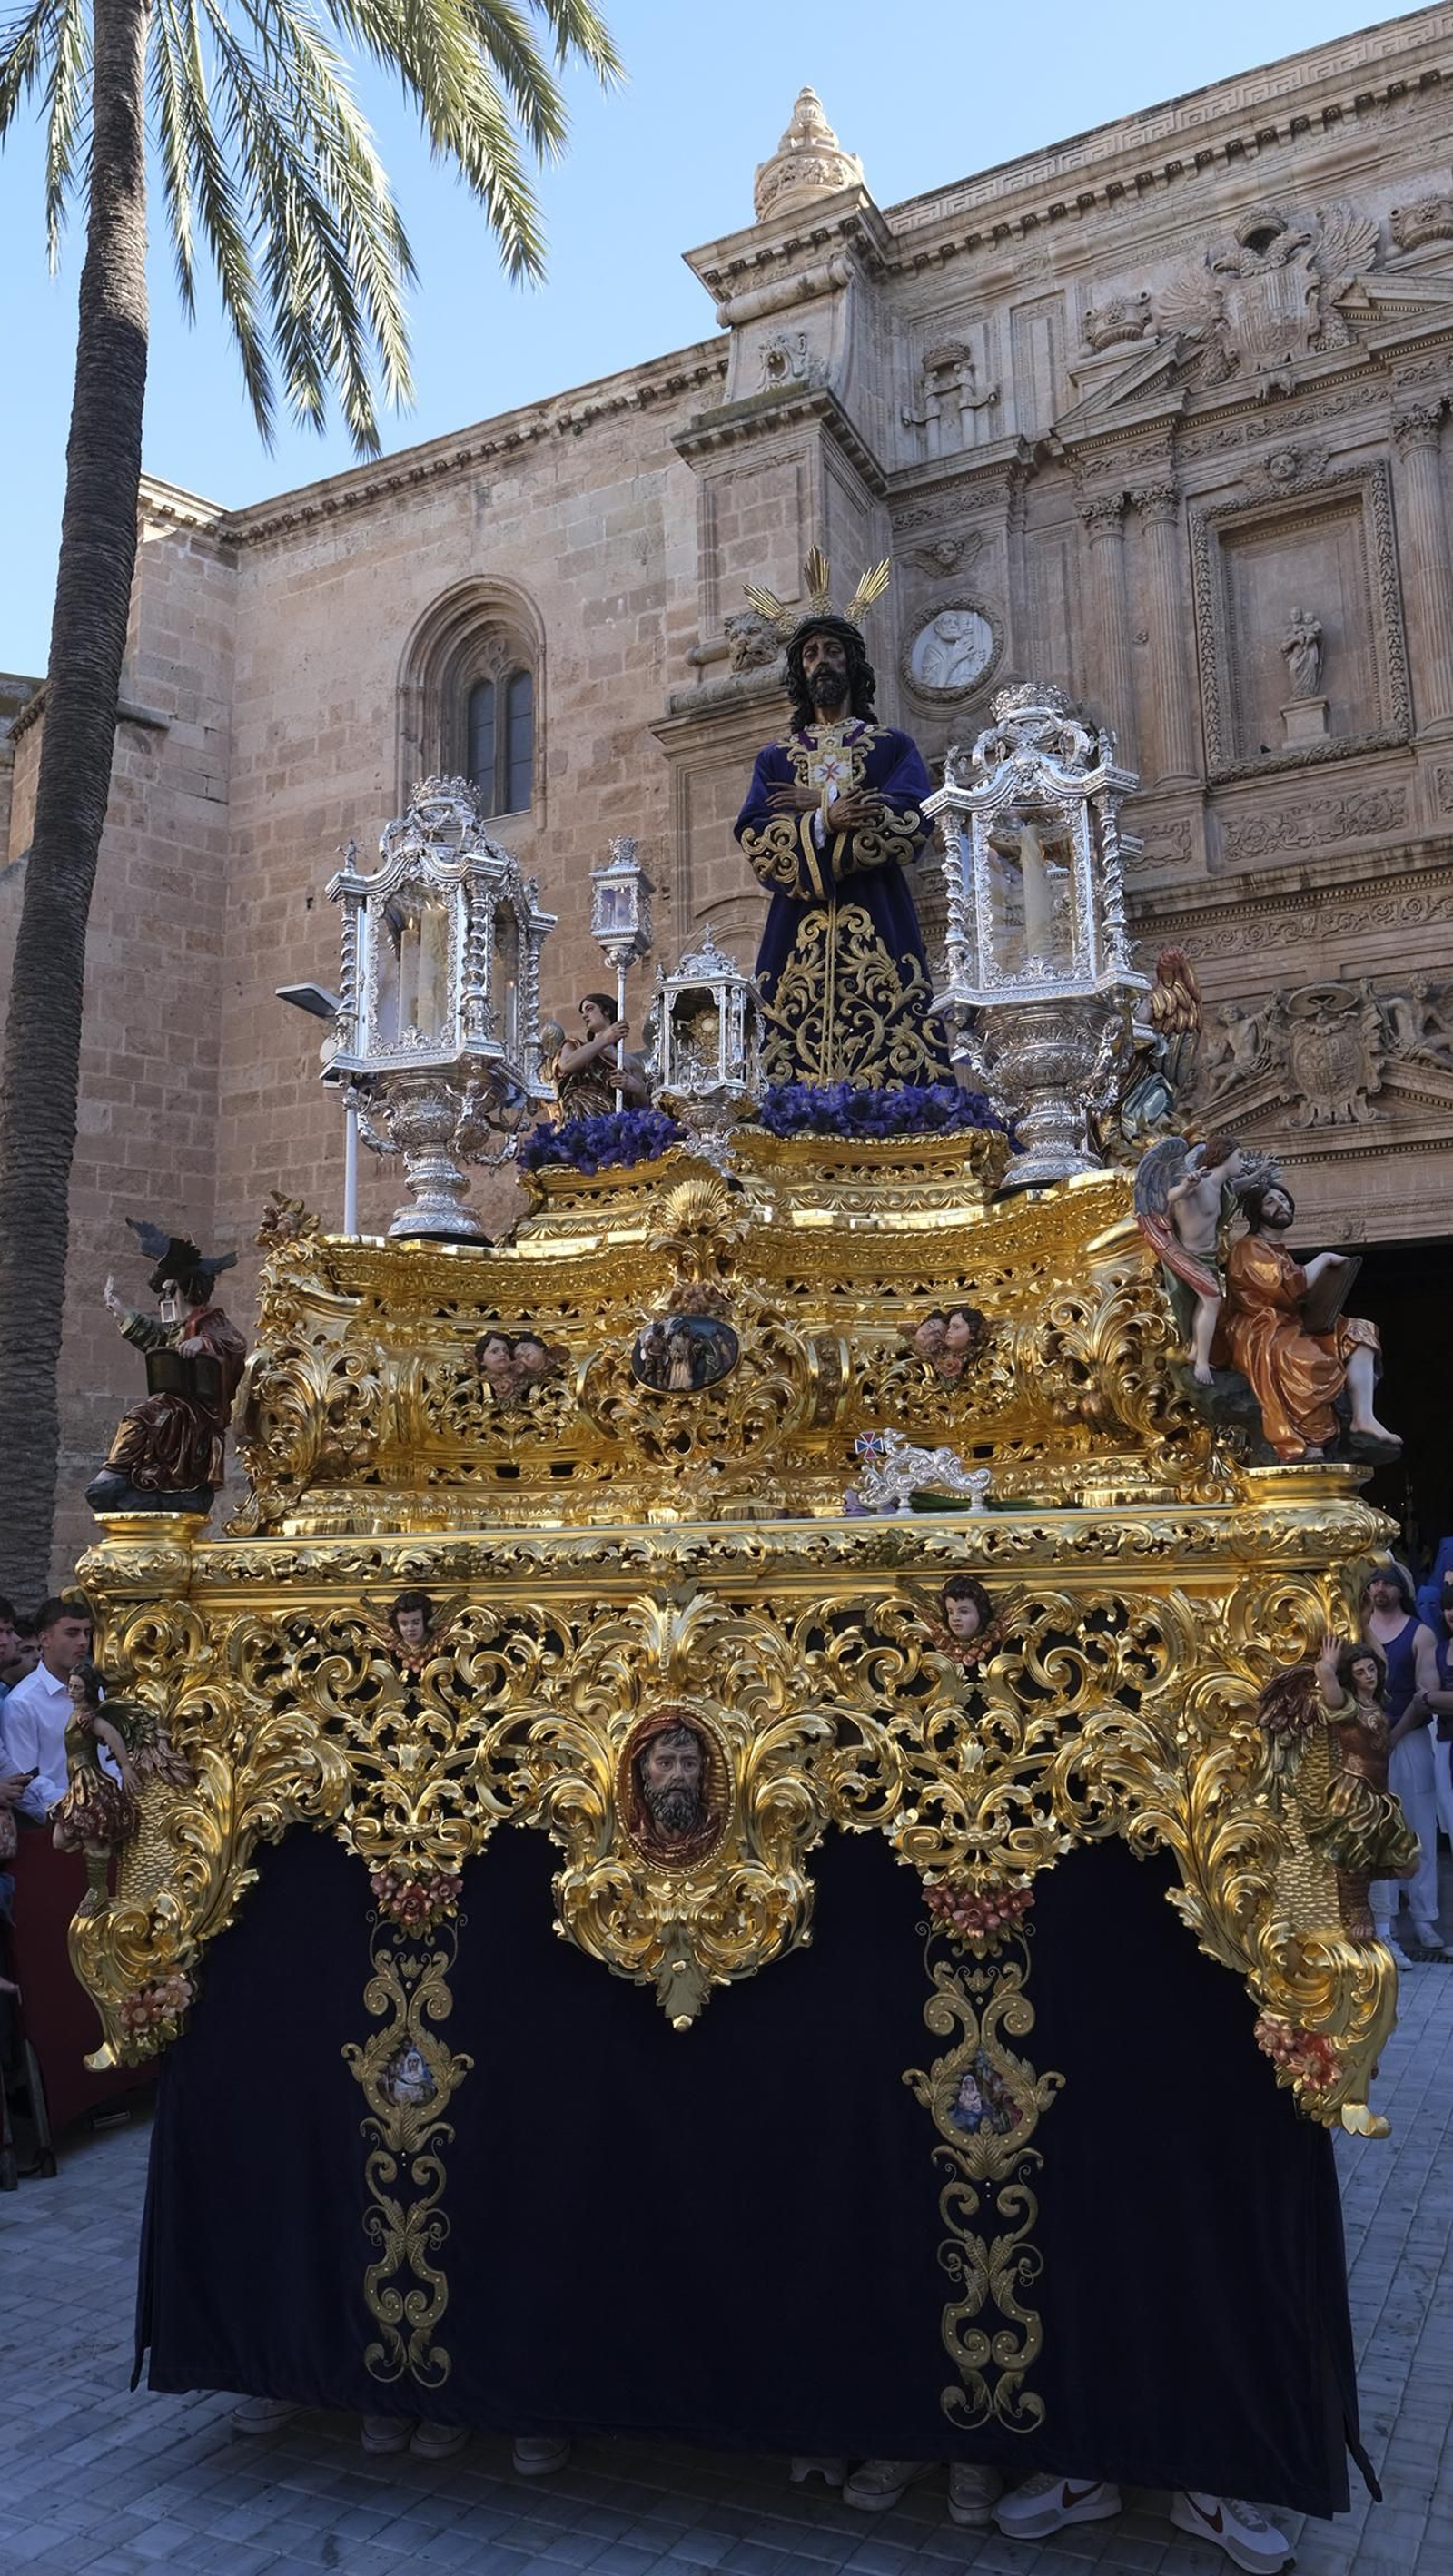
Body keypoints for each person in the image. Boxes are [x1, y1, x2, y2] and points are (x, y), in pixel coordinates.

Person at [734, 560, 944, 1088]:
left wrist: (816, 811)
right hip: (797, 930)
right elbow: (759, 841)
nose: (821, 662)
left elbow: (912, 821)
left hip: (878, 915)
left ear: (852, 663)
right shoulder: (776, 758)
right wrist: (829, 814)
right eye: (809, 654)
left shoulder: (892, 746)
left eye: (831, 651)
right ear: (798, 673)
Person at [1212, 1181, 1398, 1463]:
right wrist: (1322, 1259)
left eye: (1284, 1200)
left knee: (1360, 1332)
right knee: (1312, 1362)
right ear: (1256, 1212)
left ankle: (1364, 1418)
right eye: (1271, 1202)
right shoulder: (1247, 1247)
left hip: (1291, 1323)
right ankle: (1314, 1444)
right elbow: (1285, 1284)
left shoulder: (1277, 1249)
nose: (1281, 1206)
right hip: (1261, 1330)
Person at [87, 1225, 248, 1512]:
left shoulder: (212, 1322)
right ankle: (126, 1474)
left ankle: (114, 1472)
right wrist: (122, 1312)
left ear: (183, 1290)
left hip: (200, 1412)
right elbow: (158, 1342)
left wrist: (203, 1343)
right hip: (175, 1405)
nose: (165, 1297)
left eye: (168, 1290)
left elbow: (234, 1344)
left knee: (142, 1415)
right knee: (152, 1414)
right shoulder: (181, 1327)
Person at [1363, 1564, 1449, 1960]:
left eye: (1387, 1583)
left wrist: (1393, 1736)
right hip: (1370, 1744)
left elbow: (1425, 1695)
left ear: (1402, 1590)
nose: (1380, 1589)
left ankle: (1424, 1917)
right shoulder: (1358, 1630)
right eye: (1374, 1583)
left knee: (1419, 1830)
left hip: (1409, 1740)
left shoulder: (1421, 1633)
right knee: (1379, 1836)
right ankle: (1385, 1925)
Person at [0, 1594, 96, 1821]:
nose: (82, 1642)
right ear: (45, 1639)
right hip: (54, 1825)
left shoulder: (95, 1689)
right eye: (72, 1633)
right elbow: (24, 1777)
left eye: (87, 1633)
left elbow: (105, 1755)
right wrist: (71, 1808)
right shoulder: (23, 1702)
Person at [552, 993, 649, 1120]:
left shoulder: (629, 1062)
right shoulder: (574, 1045)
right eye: (582, 1012)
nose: (584, 1015)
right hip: (580, 1114)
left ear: (607, 1011)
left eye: (590, 1009)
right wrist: (604, 1039)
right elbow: (566, 1065)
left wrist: (635, 1088)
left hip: (613, 1119)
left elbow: (643, 1106)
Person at [1425, 1586, 1453, 1852]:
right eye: (1448, 1606)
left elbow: (1434, 1697)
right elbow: (1428, 1698)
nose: (1452, 1612)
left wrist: (1438, 1699)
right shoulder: (1440, 1649)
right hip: (1446, 1744)